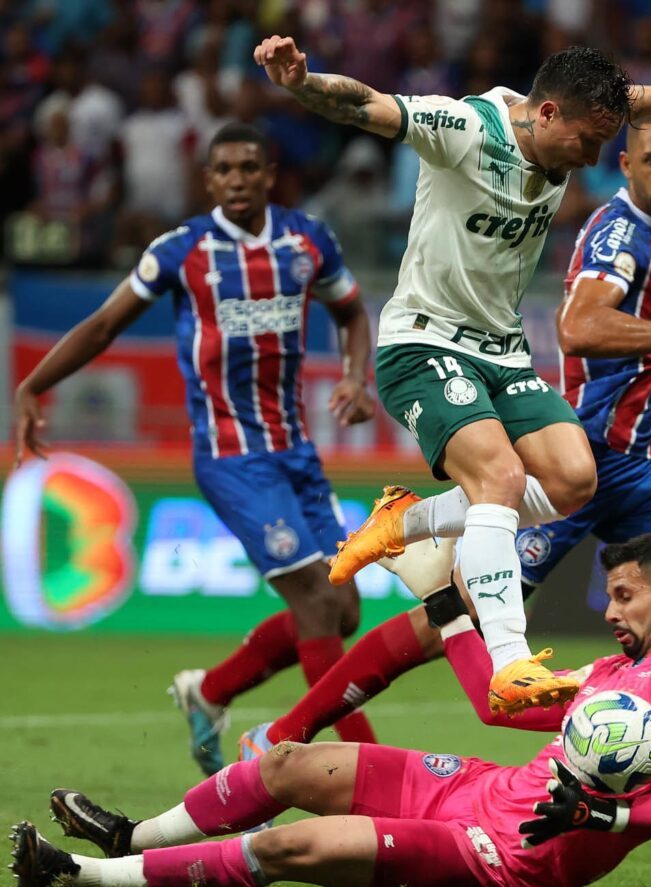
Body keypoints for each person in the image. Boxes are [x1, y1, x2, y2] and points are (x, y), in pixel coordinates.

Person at [234, 108, 651, 861]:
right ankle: (287, 734)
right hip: (576, 458)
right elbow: (580, 326)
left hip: (639, 464)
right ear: (624, 165)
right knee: (444, 620)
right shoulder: (621, 236)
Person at [254, 34, 651, 714]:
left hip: (501, 350)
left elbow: (621, 100)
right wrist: (302, 82)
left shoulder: (578, 113)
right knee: (502, 478)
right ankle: (511, 661)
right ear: (544, 115)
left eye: (605, 140)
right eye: (586, 141)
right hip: (423, 342)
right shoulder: (462, 129)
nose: (593, 158)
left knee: (573, 480)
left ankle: (407, 521)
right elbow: (368, 104)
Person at [15, 535, 651, 887]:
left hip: (506, 854)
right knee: (286, 762)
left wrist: (602, 819)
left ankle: (79, 873)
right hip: (479, 788)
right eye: (610, 595)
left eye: (625, 596)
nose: (610, 611)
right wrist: (448, 613)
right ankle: (126, 834)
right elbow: (499, 704)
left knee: (292, 845)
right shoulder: (616, 671)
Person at [13, 122, 380, 776]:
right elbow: (103, 324)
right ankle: (374, 771)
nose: (237, 179)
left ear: (270, 173)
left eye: (248, 167)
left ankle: (208, 693)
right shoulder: (184, 250)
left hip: (295, 452)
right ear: (208, 180)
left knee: (342, 607)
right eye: (224, 170)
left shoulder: (306, 241)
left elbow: (351, 311)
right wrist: (33, 384)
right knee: (317, 604)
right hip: (230, 457)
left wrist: (356, 375)